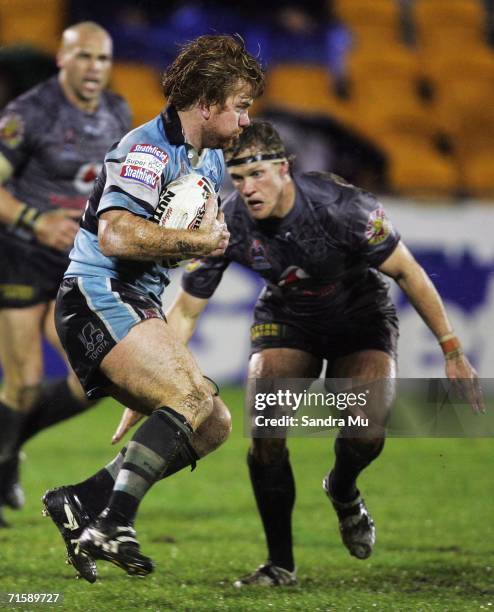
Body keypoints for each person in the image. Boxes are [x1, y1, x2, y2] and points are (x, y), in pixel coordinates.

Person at [113, 120, 481, 586]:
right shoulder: (227, 223)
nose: (247, 188)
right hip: (287, 321)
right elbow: (185, 311)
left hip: (360, 319)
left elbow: (408, 272)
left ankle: (343, 491)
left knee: (365, 436)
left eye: (257, 174)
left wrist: (451, 350)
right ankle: (280, 563)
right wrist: (150, 381)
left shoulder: (344, 208)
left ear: (284, 169)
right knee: (265, 436)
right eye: (238, 177)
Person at [42, 34, 264, 583]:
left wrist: (157, 367)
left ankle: (81, 501)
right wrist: (199, 243)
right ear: (207, 103)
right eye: (239, 108)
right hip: (97, 294)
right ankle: (114, 524)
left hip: (135, 306)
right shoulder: (146, 150)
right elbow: (115, 235)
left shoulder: (208, 162)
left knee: (212, 423)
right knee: (191, 394)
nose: (242, 123)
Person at [0, 22, 131, 527]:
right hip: (19, 254)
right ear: (63, 59)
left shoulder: (118, 112)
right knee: (25, 383)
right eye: (83, 57)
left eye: (102, 59)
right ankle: (3, 464)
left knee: (94, 376)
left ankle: (8, 448)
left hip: (76, 260)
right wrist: (36, 220)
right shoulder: (27, 114)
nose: (94, 68)